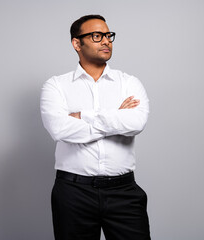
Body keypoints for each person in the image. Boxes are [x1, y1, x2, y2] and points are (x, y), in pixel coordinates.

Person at [40, 14, 151, 240]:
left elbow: (136, 122)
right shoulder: (56, 86)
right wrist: (116, 117)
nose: (106, 41)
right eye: (97, 36)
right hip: (73, 192)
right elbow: (59, 129)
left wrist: (83, 116)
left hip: (124, 192)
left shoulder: (129, 83)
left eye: (109, 35)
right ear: (76, 43)